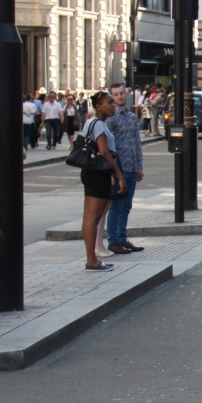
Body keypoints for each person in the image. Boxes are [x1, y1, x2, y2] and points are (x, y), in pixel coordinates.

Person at [79, 91, 127, 271]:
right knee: (93, 218)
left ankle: (93, 258)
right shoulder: (98, 124)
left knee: (89, 218)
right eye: (109, 103)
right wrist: (119, 175)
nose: (113, 105)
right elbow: (105, 152)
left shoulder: (91, 122)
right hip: (99, 173)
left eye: (113, 103)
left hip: (91, 172)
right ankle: (92, 260)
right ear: (98, 106)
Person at [105, 83, 145, 255]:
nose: (120, 97)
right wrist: (112, 171)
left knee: (126, 205)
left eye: (122, 93)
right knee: (117, 206)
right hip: (119, 168)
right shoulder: (111, 118)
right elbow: (107, 146)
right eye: (116, 95)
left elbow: (137, 142)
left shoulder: (131, 117)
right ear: (112, 97)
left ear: (126, 94)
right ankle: (113, 241)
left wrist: (140, 166)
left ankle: (122, 238)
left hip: (132, 166)